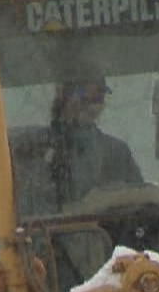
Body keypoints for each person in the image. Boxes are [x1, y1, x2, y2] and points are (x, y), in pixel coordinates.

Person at [45, 68, 145, 198]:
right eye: (83, 98)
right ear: (63, 97)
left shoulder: (118, 153)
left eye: (98, 99)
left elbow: (140, 200)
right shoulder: (35, 149)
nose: (92, 107)